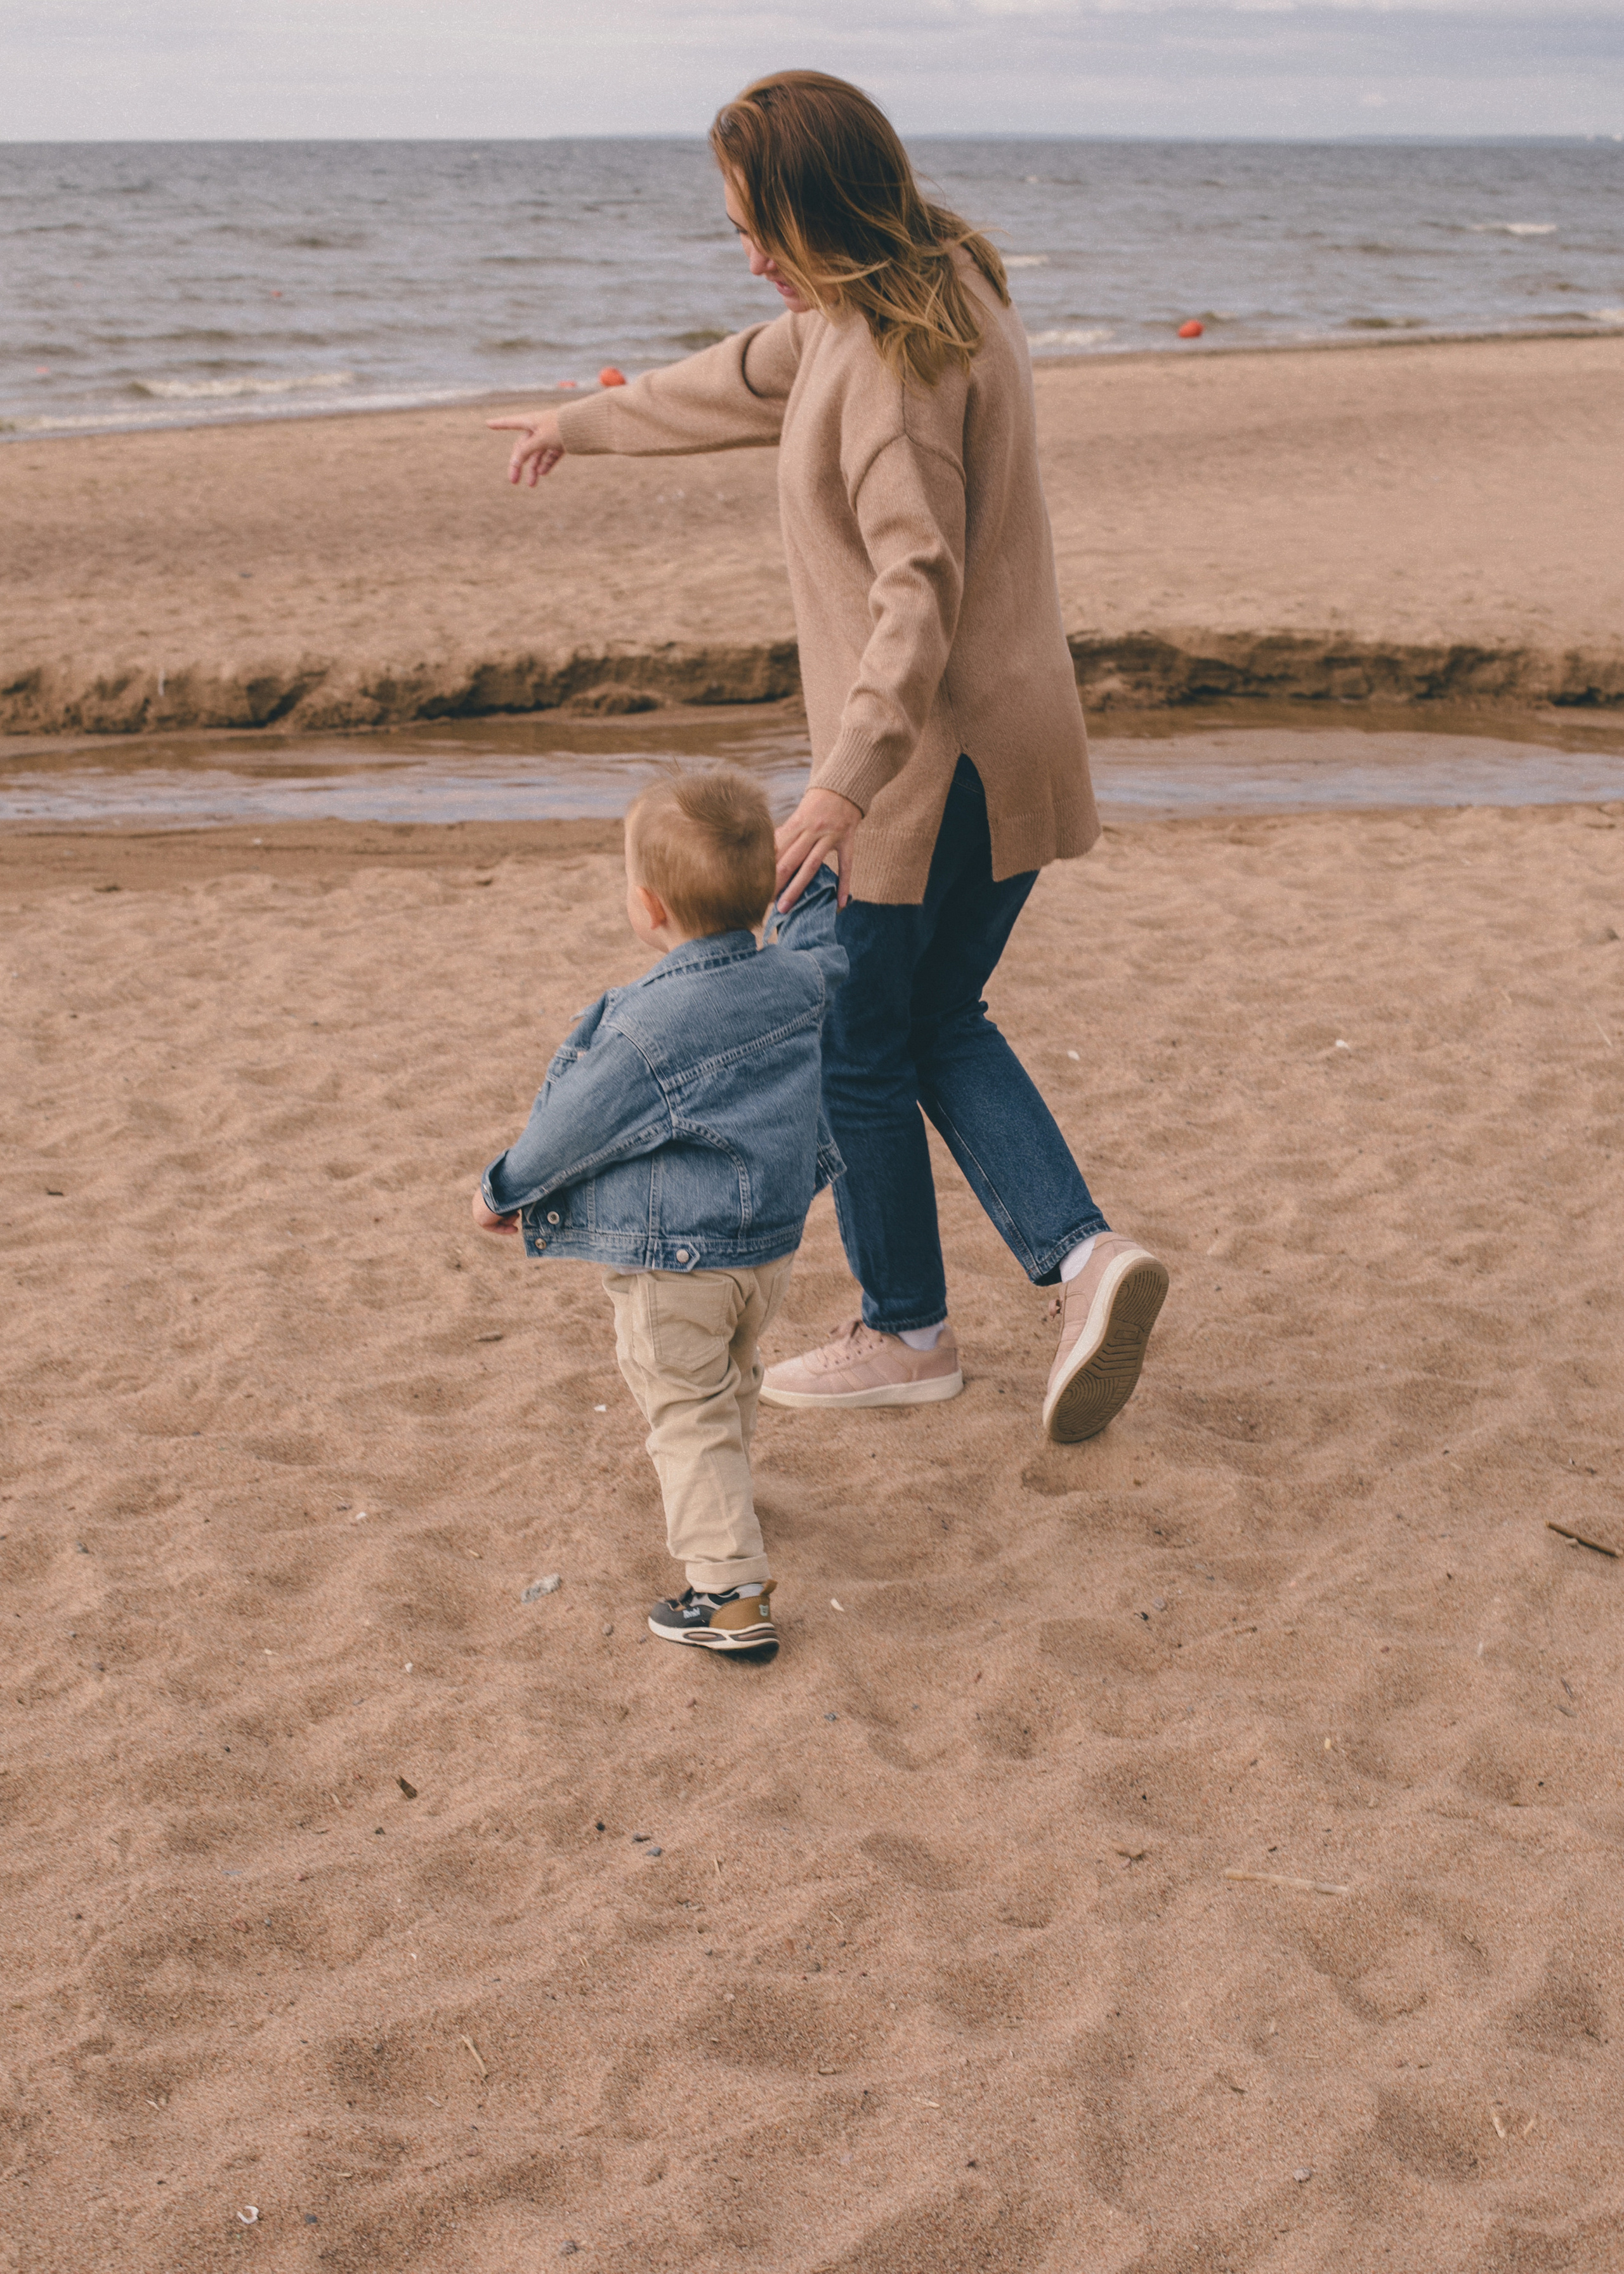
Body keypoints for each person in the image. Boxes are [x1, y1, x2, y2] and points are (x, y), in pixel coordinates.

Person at [490, 69, 1167, 1445]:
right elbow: (745, 370)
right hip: (1009, 738)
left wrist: (845, 779)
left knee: (860, 1041)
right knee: (932, 1019)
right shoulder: (934, 289)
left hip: (930, 759)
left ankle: (908, 1329)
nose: (747, 253)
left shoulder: (887, 366)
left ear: (820, 208)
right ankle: (1082, 1261)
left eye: (759, 224)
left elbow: (913, 583)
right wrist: (583, 421)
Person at [471, 767, 845, 1651]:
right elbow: (827, 942)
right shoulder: (798, 981)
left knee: (686, 1410)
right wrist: (821, 880)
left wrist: (504, 1189)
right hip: (768, 1248)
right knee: (731, 1377)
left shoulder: (649, 1025)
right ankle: (732, 1513)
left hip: (679, 1260)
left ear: (647, 907)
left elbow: (576, 1125)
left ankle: (727, 1596)